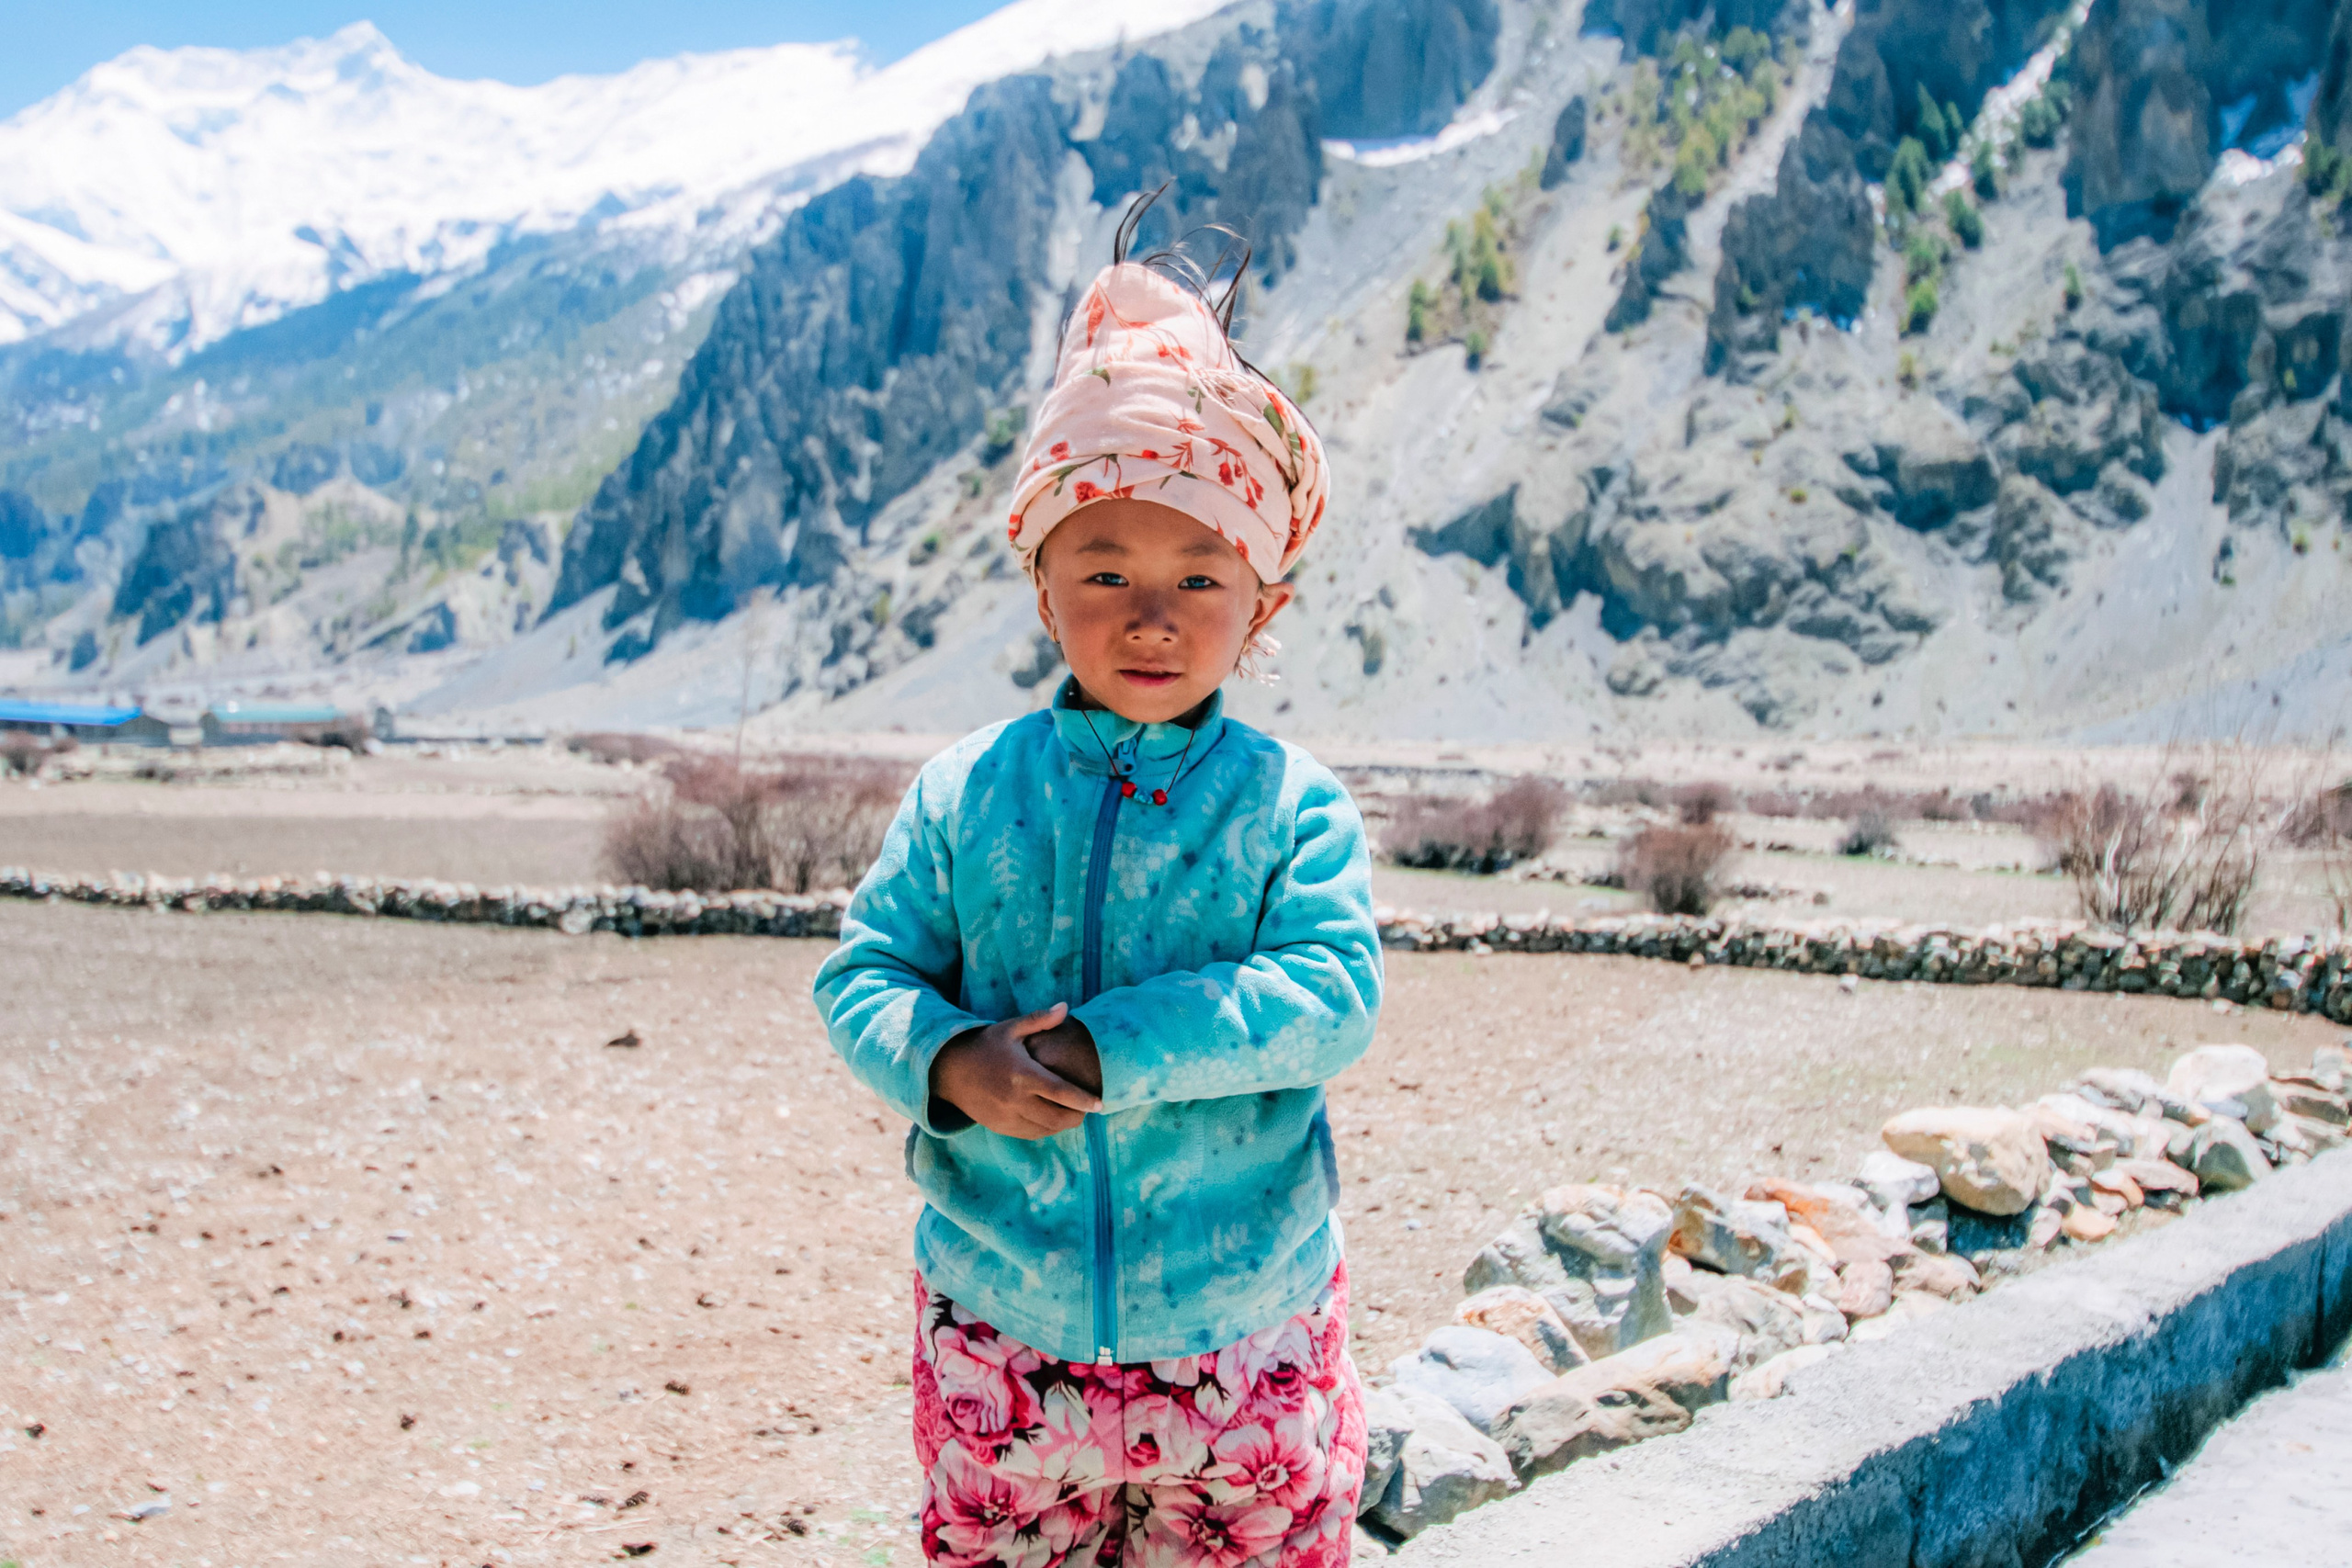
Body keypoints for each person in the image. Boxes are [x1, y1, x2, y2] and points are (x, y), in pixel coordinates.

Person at [812, 215, 1384, 1568]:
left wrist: (1102, 1049)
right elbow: (864, 976)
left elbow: (1331, 997)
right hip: (1005, 1343)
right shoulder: (968, 793)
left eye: (1200, 579)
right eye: (1106, 574)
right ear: (1041, 585)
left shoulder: (1292, 806)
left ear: (1266, 605)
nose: (1151, 617)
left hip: (1245, 1340)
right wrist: (951, 1061)